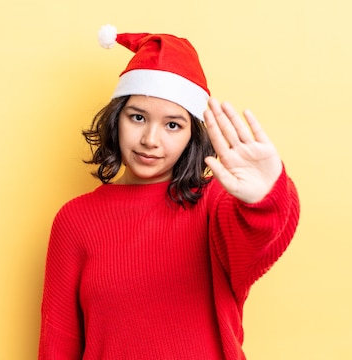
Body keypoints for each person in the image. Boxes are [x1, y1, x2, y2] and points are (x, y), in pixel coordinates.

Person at [39, 24, 300, 360]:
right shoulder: (75, 220)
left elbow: (262, 239)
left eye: (173, 124)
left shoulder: (215, 205)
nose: (151, 139)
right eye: (137, 117)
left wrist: (266, 196)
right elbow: (58, 342)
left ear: (192, 135)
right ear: (116, 119)